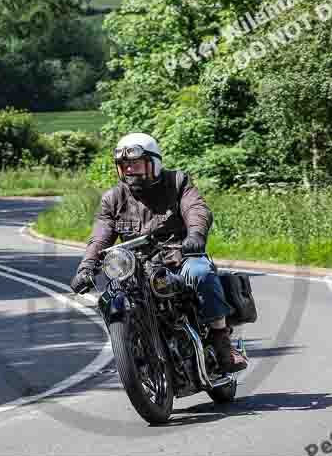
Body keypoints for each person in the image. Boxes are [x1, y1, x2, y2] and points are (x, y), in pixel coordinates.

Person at [69, 132, 247, 373]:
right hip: (135, 269)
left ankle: (221, 342)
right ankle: (132, 349)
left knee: (202, 274)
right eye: (125, 166)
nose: (130, 170)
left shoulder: (176, 182)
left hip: (179, 258)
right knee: (111, 298)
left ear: (153, 162)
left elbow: (196, 208)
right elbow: (100, 236)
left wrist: (195, 235)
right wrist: (86, 268)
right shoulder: (113, 198)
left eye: (136, 163)